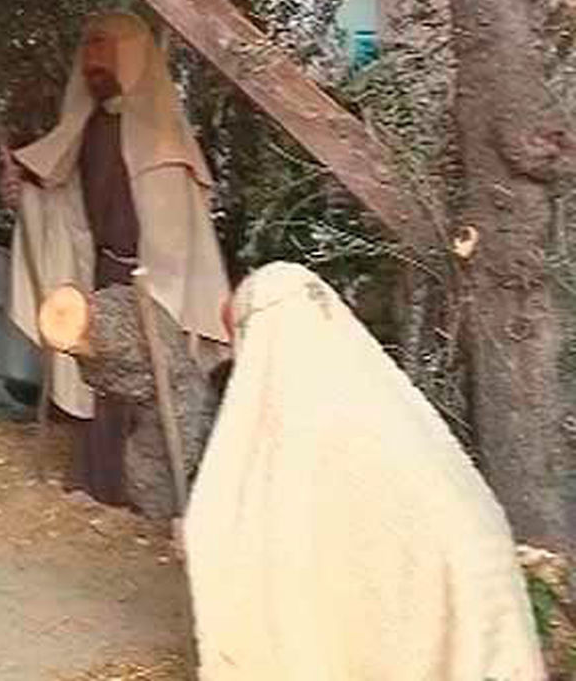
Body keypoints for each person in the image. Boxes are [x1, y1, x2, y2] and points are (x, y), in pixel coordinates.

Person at [184, 261, 544, 679]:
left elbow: (263, 542)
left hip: (442, 591)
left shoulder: (301, 417)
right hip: (477, 587)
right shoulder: (382, 396)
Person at [0, 11, 230, 507]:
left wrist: (159, 292)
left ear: (131, 55)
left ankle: (154, 495)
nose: (90, 61)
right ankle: (99, 483)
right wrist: (28, 195)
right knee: (100, 377)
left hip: (153, 285)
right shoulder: (86, 129)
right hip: (101, 273)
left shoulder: (166, 144)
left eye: (103, 48)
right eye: (88, 49)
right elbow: (66, 207)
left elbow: (179, 236)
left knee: (153, 384)